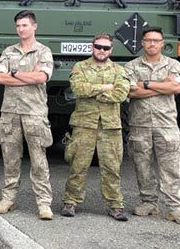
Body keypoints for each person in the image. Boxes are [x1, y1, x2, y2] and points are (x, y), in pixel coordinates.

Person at [124, 27, 180, 226]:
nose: (152, 44)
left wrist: (144, 84)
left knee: (171, 167)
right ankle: (149, 203)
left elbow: (176, 87)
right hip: (139, 125)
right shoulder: (131, 67)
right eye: (148, 40)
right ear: (142, 43)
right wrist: (160, 85)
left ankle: (175, 208)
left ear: (162, 43)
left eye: (156, 40)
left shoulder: (174, 65)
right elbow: (129, 91)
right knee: (142, 167)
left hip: (166, 125)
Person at [0, 10, 55, 220]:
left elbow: (42, 77)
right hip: (10, 113)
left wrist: (16, 73)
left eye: (25, 25)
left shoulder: (43, 52)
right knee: (10, 160)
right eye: (18, 26)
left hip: (34, 114)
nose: (21, 29)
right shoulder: (9, 52)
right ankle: (8, 199)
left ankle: (44, 204)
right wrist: (27, 77)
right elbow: (0, 78)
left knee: (39, 161)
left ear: (34, 26)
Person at [62, 33, 130, 221]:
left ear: (111, 50)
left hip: (110, 126)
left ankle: (115, 205)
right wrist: (105, 87)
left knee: (112, 167)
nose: (101, 50)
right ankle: (70, 201)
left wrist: (95, 91)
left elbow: (121, 94)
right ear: (92, 47)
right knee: (78, 165)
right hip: (85, 124)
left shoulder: (119, 70)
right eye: (98, 47)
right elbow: (78, 89)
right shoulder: (80, 67)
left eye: (105, 48)